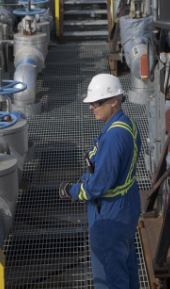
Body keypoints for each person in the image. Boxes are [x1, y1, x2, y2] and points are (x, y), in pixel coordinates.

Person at [59, 73, 141, 289]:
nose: (91, 107)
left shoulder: (113, 138)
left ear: (113, 101)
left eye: (96, 102)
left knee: (110, 275)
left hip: (109, 213)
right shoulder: (127, 124)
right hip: (127, 204)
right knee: (125, 262)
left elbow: (99, 184)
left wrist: (73, 190)